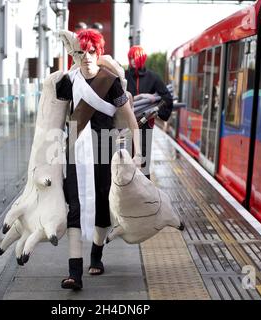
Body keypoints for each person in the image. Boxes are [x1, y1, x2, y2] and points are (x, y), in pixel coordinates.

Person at [56, 29, 141, 290]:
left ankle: (96, 253)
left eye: (91, 51)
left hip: (104, 151)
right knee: (75, 207)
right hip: (74, 150)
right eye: (81, 52)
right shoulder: (68, 81)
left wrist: (138, 156)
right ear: (76, 55)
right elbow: (59, 120)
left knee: (102, 207)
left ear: (98, 52)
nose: (87, 57)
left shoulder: (111, 81)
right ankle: (74, 273)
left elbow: (132, 121)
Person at [125, 46, 173, 179]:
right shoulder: (123, 76)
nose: (133, 60)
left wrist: (156, 110)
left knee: (143, 157)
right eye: (130, 58)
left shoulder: (153, 77)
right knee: (126, 155)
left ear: (142, 58)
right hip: (126, 123)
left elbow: (167, 98)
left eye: (135, 57)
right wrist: (142, 97)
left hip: (145, 122)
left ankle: (145, 189)